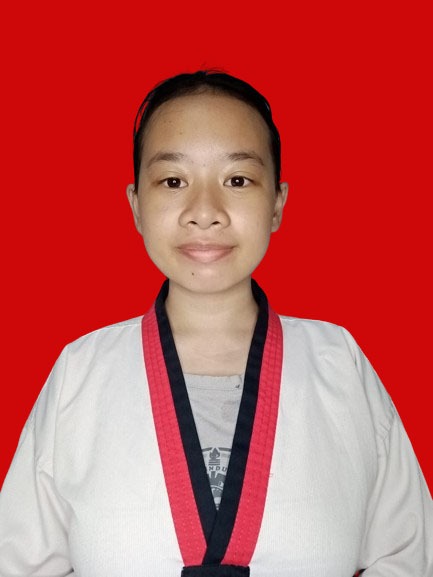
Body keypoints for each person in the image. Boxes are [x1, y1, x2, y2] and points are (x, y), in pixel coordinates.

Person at [0, 70, 431, 577]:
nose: (204, 212)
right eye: (173, 181)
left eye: (238, 180)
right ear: (136, 206)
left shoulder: (339, 363)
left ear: (277, 203)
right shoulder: (81, 371)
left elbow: (409, 557)